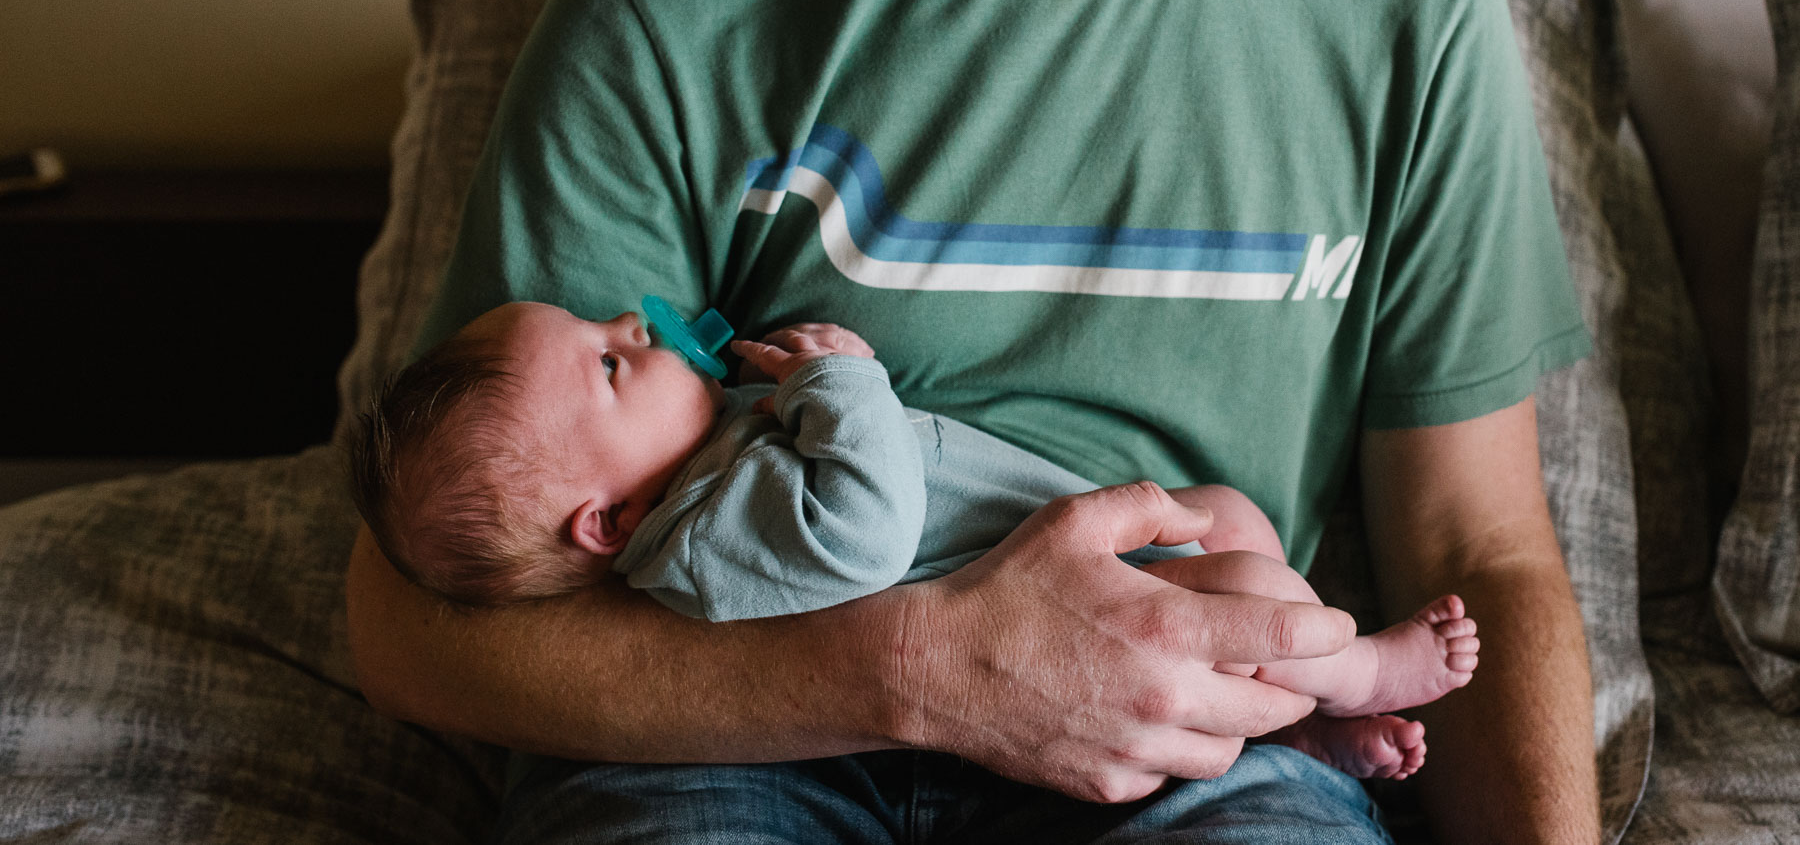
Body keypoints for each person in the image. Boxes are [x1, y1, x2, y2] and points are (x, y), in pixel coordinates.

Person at [345, 0, 1602, 840]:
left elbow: (1473, 550)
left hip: (1199, 746)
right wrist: (926, 667)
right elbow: (412, 617)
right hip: (728, 744)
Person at [351, 300, 1482, 783]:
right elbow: (867, 525)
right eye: (608, 364)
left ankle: (1284, 736)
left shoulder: (709, 454)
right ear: (604, 522)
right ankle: (1360, 670)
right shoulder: (700, 542)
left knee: (1230, 515)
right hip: (1068, 611)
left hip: (1076, 548)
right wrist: (843, 377)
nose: (633, 326)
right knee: (1240, 581)